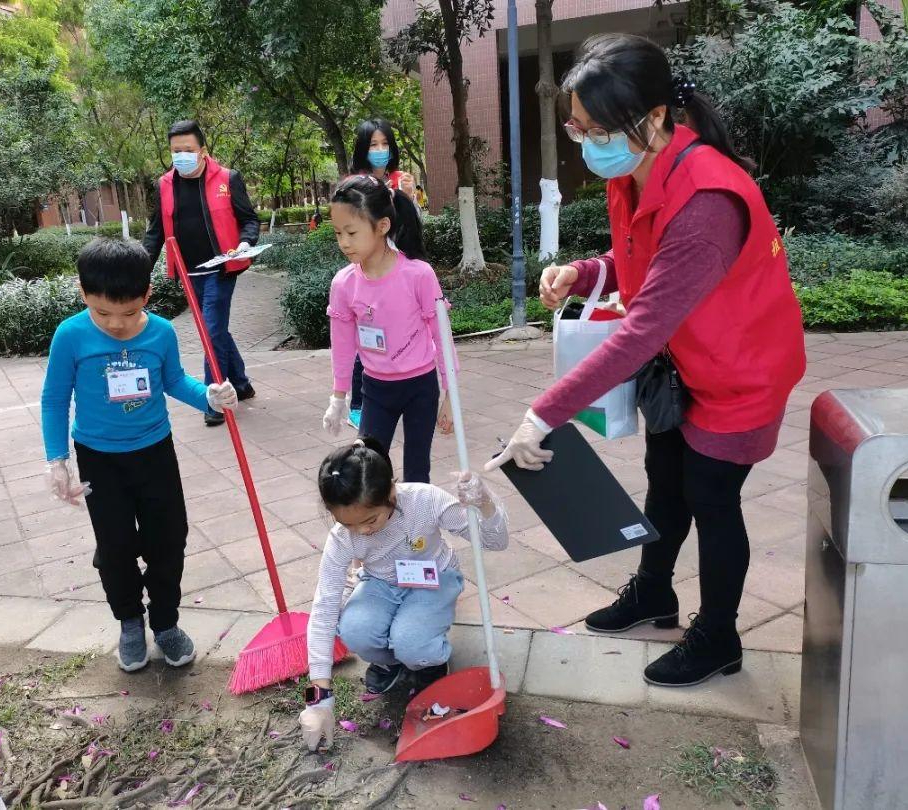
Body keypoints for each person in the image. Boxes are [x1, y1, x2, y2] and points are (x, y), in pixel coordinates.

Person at [486, 34, 806, 688]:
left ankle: (718, 635)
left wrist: (541, 414)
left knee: (712, 499)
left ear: (656, 118)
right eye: (578, 127)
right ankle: (653, 594)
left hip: (740, 373)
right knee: (667, 482)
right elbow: (642, 264)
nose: (587, 142)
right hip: (683, 365)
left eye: (597, 128)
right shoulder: (635, 172)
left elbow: (638, 330)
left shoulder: (708, 200)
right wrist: (584, 272)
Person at [40, 238, 239, 672]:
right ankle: (130, 621)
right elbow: (55, 400)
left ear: (147, 295)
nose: (116, 324)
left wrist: (208, 396)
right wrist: (57, 460)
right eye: (103, 312)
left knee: (169, 540)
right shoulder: (70, 335)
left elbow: (174, 381)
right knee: (115, 548)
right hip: (99, 459)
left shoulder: (162, 333)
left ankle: (165, 622)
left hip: (154, 453)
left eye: (129, 313)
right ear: (83, 293)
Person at [299, 439, 509, 751]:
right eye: (349, 524)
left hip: (434, 577)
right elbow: (324, 606)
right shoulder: (342, 538)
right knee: (355, 630)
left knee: (412, 642)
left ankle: (429, 665)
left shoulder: (424, 501)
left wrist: (485, 504)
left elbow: (495, 541)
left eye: (370, 520)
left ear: (392, 492)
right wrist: (318, 700)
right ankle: (391, 663)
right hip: (381, 582)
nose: (363, 532)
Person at [322, 174, 450, 484]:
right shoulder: (343, 284)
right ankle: (379, 530)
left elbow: (441, 336)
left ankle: (418, 532)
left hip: (421, 386)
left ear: (382, 226)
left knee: (418, 472)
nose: (344, 242)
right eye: (338, 233)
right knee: (367, 470)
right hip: (376, 389)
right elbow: (342, 346)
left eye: (352, 232)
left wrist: (450, 394)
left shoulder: (418, 275)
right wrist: (338, 397)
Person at [142, 120, 260, 427]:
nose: (181, 156)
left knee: (210, 332)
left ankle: (215, 400)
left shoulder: (228, 178)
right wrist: (139, 269)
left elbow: (249, 220)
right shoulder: (164, 185)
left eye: (188, 150)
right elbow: (155, 232)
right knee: (216, 330)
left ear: (203, 151)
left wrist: (245, 243)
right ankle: (241, 382)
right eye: (175, 150)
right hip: (187, 272)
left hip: (222, 268)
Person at [346, 118, 426, 432]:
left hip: (400, 270)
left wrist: (409, 196)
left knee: (399, 332)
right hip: (368, 273)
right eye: (373, 145)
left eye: (384, 144)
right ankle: (358, 403)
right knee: (367, 337)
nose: (380, 151)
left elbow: (414, 226)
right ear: (363, 149)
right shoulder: (354, 185)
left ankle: (400, 396)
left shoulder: (400, 179)